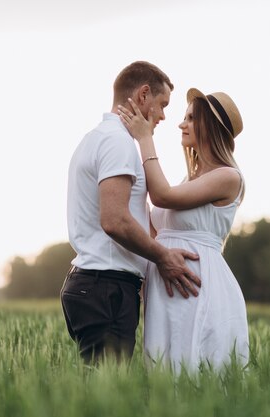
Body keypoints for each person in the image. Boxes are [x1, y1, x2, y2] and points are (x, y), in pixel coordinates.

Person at [61, 61, 202, 364]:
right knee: (106, 398)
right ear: (143, 94)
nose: (164, 115)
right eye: (162, 104)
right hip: (106, 289)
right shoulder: (118, 143)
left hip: (93, 285)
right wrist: (163, 257)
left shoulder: (94, 138)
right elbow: (114, 220)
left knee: (99, 390)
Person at [117, 88, 250, 372]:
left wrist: (145, 137)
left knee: (197, 371)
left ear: (211, 128)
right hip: (166, 289)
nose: (181, 124)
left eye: (191, 118)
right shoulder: (186, 180)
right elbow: (151, 226)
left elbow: (161, 197)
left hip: (198, 285)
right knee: (165, 373)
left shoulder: (228, 177)